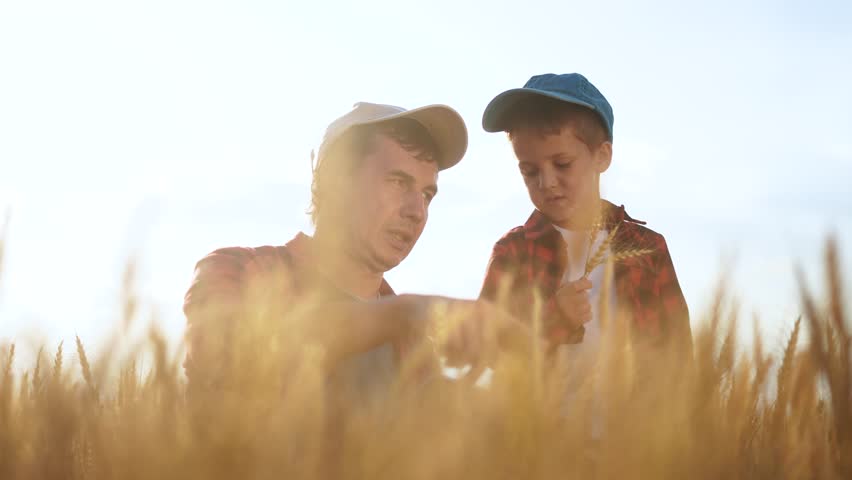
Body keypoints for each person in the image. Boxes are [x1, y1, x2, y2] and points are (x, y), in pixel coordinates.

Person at [183, 101, 534, 397]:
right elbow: (229, 364)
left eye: (427, 195)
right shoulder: (239, 270)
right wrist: (401, 314)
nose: (417, 211)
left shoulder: (416, 345)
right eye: (399, 182)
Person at [478, 73, 692, 370]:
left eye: (562, 164)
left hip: (637, 416)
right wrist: (554, 317)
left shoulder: (647, 248)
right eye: (529, 171)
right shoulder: (513, 252)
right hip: (539, 417)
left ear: (602, 156)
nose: (547, 182)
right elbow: (486, 351)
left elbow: (679, 355)